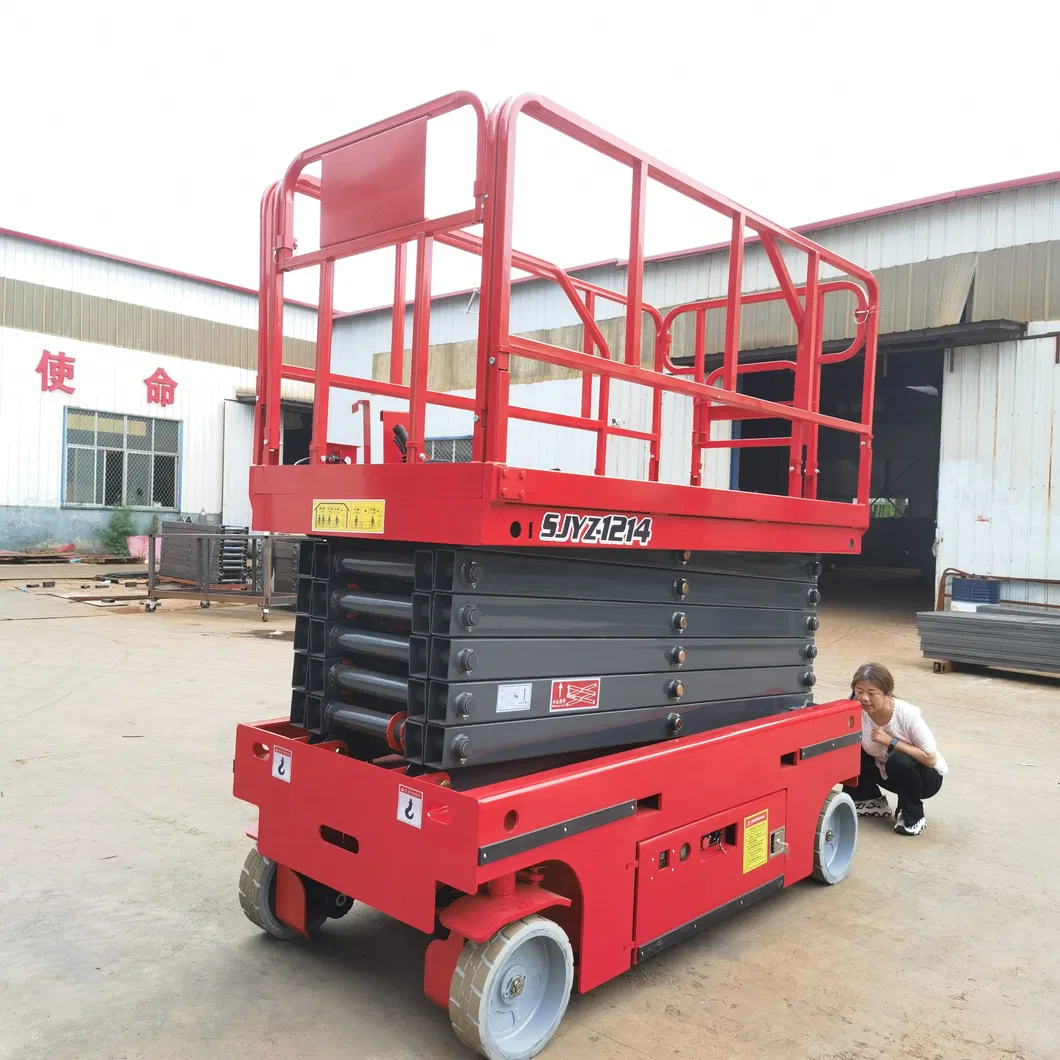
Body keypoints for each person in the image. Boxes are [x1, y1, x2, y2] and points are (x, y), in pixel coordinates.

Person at [843, 662, 947, 836]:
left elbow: (930, 758)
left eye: (872, 693)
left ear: (888, 694)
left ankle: (913, 815)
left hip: (925, 779)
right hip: (886, 770)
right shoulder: (855, 708)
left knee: (899, 760)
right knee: (845, 747)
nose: (864, 698)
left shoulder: (907, 715)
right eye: (859, 691)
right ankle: (868, 798)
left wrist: (892, 742)